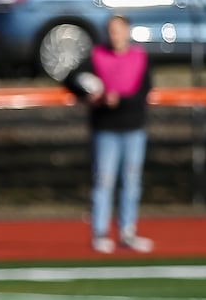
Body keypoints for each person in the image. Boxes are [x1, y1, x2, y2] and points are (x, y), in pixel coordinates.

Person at [64, 14, 154, 254]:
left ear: (127, 32)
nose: (115, 35)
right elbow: (71, 79)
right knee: (103, 181)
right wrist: (89, 94)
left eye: (119, 30)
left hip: (133, 128)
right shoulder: (96, 56)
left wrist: (119, 100)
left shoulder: (139, 58)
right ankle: (100, 233)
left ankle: (127, 232)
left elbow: (143, 93)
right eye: (111, 30)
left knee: (131, 182)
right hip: (105, 129)